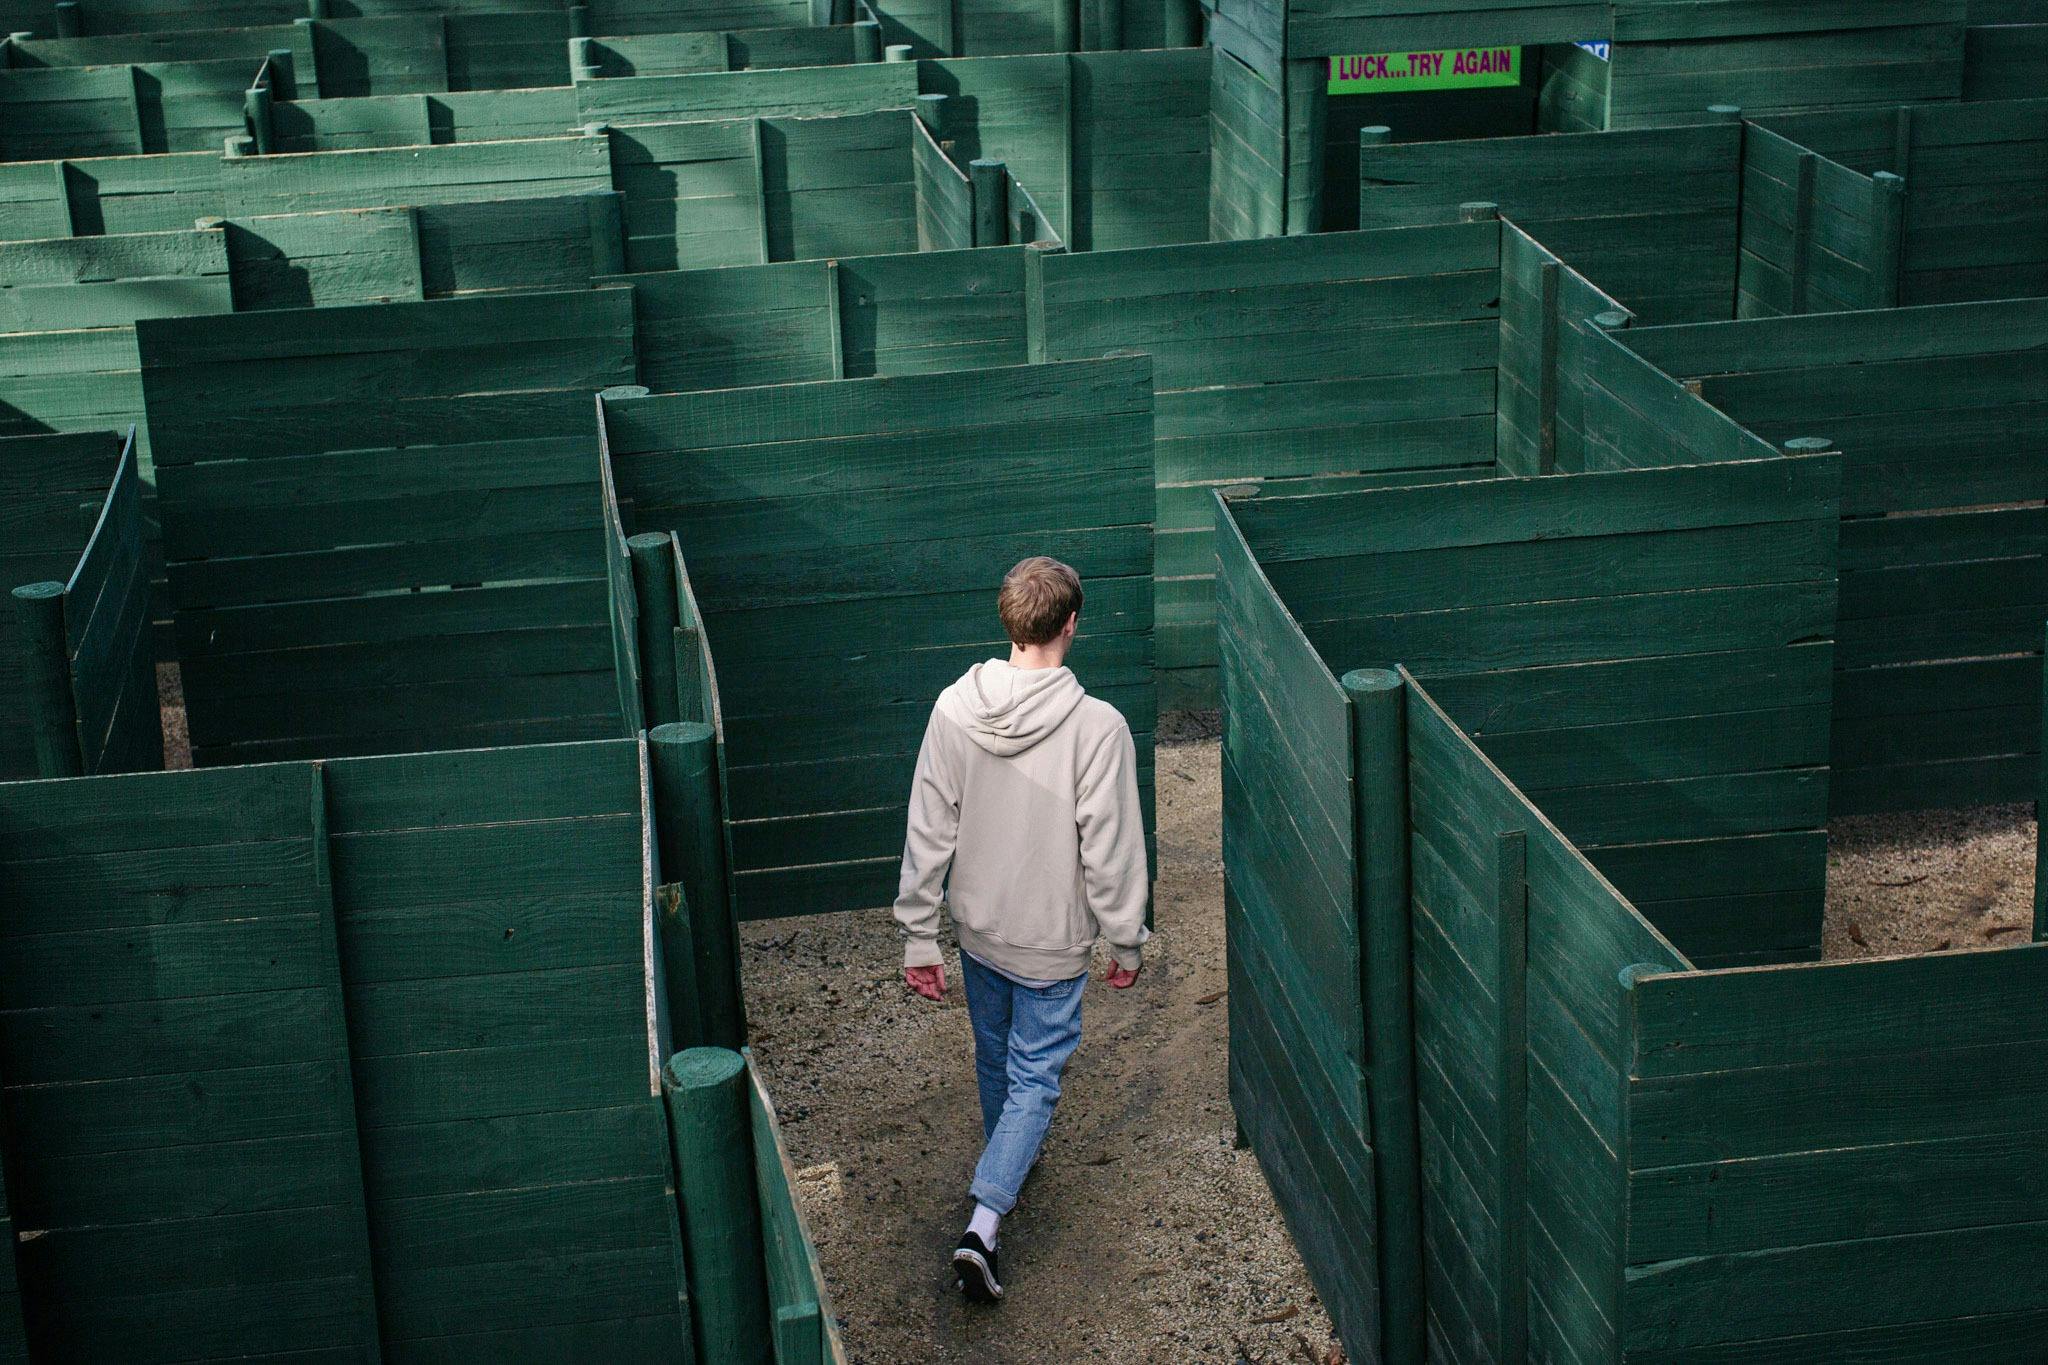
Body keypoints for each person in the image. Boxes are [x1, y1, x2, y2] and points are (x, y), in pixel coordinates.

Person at [891, 555, 1150, 1304]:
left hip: (978, 930)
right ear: (1071, 623)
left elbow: (928, 824)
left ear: (1007, 620)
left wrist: (919, 933)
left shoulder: (951, 708)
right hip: (1049, 940)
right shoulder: (1098, 728)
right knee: (1036, 1073)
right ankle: (984, 1221)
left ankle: (1004, 1161)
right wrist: (1123, 937)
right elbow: (1110, 845)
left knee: (997, 1056)